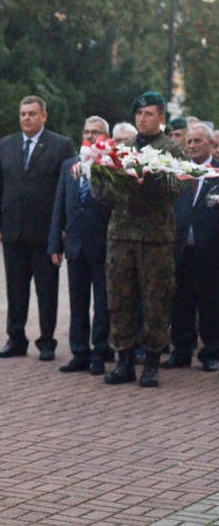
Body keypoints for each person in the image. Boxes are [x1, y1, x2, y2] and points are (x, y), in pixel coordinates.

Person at [95, 91, 183, 388]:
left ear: (161, 118)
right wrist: (99, 175)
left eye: (148, 114)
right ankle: (124, 361)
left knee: (155, 300)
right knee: (119, 299)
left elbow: (174, 191)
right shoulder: (123, 148)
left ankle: (152, 362)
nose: (142, 119)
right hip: (120, 236)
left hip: (155, 239)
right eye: (139, 114)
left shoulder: (171, 149)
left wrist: (149, 175)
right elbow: (107, 195)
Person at [0, 95, 75, 361]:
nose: (26, 118)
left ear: (44, 116)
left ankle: (46, 341)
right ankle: (16, 339)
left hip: (46, 233)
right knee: (15, 289)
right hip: (12, 231)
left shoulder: (60, 145)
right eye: (23, 113)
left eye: (32, 113)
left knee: (46, 291)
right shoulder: (6, 144)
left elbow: (67, 190)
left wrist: (63, 229)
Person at [48, 116, 114, 375]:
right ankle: (79, 352)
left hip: (102, 245)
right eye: (86, 131)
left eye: (95, 132)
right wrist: (55, 243)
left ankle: (99, 352)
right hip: (74, 245)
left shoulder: (111, 166)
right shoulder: (69, 165)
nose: (88, 136)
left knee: (102, 303)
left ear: (105, 137)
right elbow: (59, 206)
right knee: (77, 303)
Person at [163, 123, 219, 372]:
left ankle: (211, 352)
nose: (193, 145)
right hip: (181, 249)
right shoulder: (178, 173)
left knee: (210, 303)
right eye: (190, 142)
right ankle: (181, 350)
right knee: (180, 302)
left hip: (210, 250)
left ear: (210, 144)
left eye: (198, 141)